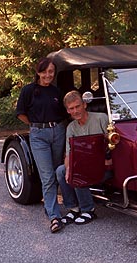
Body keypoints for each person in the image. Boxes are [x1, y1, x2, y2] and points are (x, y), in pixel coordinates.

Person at [16, 57, 67, 233]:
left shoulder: (56, 92)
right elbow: (20, 113)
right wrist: (36, 125)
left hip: (58, 132)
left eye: (51, 72)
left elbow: (63, 113)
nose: (48, 75)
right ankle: (54, 216)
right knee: (47, 176)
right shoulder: (28, 90)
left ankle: (67, 205)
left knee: (58, 170)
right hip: (39, 135)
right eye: (44, 71)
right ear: (38, 72)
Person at [56, 90, 109, 225]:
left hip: (104, 167)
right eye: (71, 108)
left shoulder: (101, 118)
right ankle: (73, 208)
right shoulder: (71, 128)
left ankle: (88, 209)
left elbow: (114, 142)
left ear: (84, 105)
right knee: (61, 171)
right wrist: (68, 170)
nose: (75, 111)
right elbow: (69, 153)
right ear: (68, 111)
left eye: (77, 106)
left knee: (78, 169)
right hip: (83, 166)